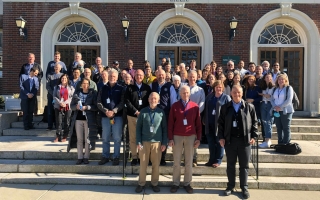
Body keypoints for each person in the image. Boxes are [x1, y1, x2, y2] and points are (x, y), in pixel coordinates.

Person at [218, 85, 258, 199]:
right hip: (230, 141)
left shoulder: (249, 107)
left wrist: (254, 136)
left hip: (244, 141)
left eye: (239, 92)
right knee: (230, 165)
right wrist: (221, 137)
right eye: (234, 92)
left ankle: (244, 187)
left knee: (244, 166)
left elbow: (255, 123)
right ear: (231, 93)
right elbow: (220, 124)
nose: (237, 95)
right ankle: (230, 186)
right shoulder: (225, 107)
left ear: (242, 93)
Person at [168, 85, 201, 194]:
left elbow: (198, 124)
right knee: (176, 161)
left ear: (189, 94)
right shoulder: (175, 106)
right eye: (183, 93)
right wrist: (170, 138)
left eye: (187, 92)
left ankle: (187, 183)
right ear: (179, 94)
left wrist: (198, 138)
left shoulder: (195, 106)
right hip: (177, 136)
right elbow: (170, 123)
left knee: (188, 161)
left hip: (190, 136)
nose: (185, 94)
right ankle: (176, 183)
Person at [135, 92, 167, 193]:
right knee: (143, 165)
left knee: (156, 165)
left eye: (155, 99)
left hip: (157, 143)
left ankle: (154, 183)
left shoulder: (161, 112)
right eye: (151, 98)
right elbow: (138, 128)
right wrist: (138, 142)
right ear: (148, 100)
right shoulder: (143, 112)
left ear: (158, 101)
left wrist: (164, 143)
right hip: (144, 142)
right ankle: (141, 183)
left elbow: (164, 129)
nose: (153, 100)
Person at [97, 69, 125, 166]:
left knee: (117, 138)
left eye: (114, 76)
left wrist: (114, 111)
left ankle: (116, 157)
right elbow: (98, 102)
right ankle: (105, 156)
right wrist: (106, 111)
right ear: (107, 77)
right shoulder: (103, 88)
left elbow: (122, 102)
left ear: (117, 77)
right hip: (105, 117)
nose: (112, 78)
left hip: (117, 117)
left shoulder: (121, 89)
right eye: (110, 76)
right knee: (105, 138)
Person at [125, 69, 152, 166]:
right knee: (133, 137)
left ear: (143, 76)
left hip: (144, 116)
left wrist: (143, 112)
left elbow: (150, 101)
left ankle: (141, 156)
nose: (139, 77)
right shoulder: (129, 88)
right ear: (134, 76)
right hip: (132, 116)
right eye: (137, 75)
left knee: (143, 137)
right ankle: (134, 157)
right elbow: (127, 101)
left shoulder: (147, 88)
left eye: (140, 75)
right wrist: (136, 111)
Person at [68, 78, 97, 165]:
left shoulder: (92, 93)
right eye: (83, 83)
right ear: (81, 85)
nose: (85, 85)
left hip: (89, 119)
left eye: (87, 83)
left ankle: (86, 157)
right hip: (78, 119)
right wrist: (75, 107)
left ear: (89, 85)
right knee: (79, 139)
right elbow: (71, 106)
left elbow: (95, 107)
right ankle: (80, 157)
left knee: (87, 139)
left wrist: (87, 107)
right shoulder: (77, 93)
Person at [204, 80, 231, 167]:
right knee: (211, 143)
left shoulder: (226, 98)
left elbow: (230, 111)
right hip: (210, 123)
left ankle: (218, 160)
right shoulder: (209, 97)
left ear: (222, 88)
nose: (218, 89)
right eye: (216, 87)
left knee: (219, 143)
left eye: (220, 87)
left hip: (220, 124)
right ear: (214, 88)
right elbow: (206, 109)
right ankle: (211, 160)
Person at [270, 74, 294, 145]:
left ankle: (286, 143)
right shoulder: (275, 89)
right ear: (277, 81)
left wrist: (280, 107)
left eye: (282, 79)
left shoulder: (288, 88)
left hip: (285, 111)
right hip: (276, 111)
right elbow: (271, 99)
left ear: (285, 80)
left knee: (286, 127)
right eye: (279, 79)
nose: (280, 81)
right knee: (279, 127)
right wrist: (275, 107)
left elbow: (289, 100)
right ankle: (280, 143)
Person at [188, 70, 205, 166]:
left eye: (193, 77)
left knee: (195, 137)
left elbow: (202, 102)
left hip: (196, 116)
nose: (192, 78)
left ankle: (194, 158)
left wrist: (197, 111)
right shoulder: (184, 88)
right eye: (190, 76)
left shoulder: (200, 90)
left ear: (196, 78)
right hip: (185, 117)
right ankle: (187, 157)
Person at [53, 74, 74, 142]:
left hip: (67, 106)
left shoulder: (71, 88)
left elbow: (72, 97)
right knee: (58, 122)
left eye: (65, 78)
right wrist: (60, 103)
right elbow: (54, 96)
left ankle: (65, 136)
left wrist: (65, 103)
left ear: (67, 79)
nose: (64, 80)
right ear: (60, 79)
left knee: (67, 122)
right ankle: (58, 136)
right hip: (58, 106)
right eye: (62, 78)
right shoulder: (56, 87)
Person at [46, 63, 63, 130]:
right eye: (55, 67)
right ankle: (50, 126)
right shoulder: (50, 76)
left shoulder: (62, 75)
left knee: (58, 111)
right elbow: (47, 86)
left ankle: (57, 126)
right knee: (50, 111)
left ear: (60, 68)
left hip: (60, 97)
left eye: (58, 67)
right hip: (51, 96)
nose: (56, 68)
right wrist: (53, 93)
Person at [259, 73, 275, 148]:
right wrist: (264, 95)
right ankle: (266, 140)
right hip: (263, 104)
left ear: (271, 78)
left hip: (270, 105)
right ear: (264, 79)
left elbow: (271, 96)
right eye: (266, 77)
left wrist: (264, 95)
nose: (268, 78)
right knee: (264, 122)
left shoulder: (274, 87)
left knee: (268, 122)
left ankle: (268, 140)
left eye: (269, 77)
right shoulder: (263, 87)